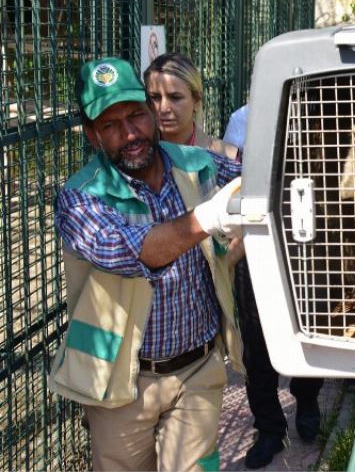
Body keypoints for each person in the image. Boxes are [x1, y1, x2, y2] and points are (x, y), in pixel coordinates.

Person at [49, 56, 245, 471]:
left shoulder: (196, 164)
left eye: (136, 115)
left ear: (151, 112)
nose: (130, 133)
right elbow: (133, 252)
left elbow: (260, 176)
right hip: (120, 384)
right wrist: (209, 217)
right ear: (92, 134)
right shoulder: (81, 197)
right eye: (110, 125)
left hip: (198, 367)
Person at [224, 104, 325, 469]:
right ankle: (268, 427)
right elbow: (232, 177)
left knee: (312, 323)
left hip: (313, 240)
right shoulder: (245, 118)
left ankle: (307, 395)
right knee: (257, 339)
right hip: (259, 239)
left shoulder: (326, 111)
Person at [144, 52, 238, 159]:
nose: (164, 108)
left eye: (175, 97)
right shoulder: (137, 156)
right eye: (155, 97)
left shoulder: (229, 159)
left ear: (196, 101)